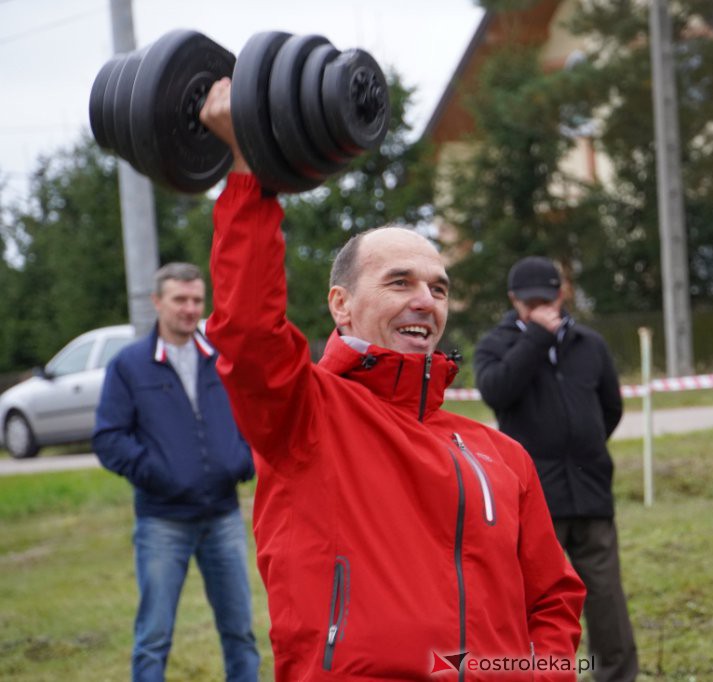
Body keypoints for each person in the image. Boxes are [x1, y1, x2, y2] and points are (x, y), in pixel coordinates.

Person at [197, 80, 585, 681]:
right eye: (399, 282)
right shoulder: (307, 415)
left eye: (438, 287)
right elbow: (248, 333)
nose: (424, 301)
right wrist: (249, 174)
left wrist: (536, 676)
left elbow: (554, 598)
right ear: (341, 305)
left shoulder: (500, 454)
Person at [474, 256, 639, 682]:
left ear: (561, 294)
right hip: (534, 497)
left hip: (590, 490)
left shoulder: (589, 344)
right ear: (514, 302)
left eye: (547, 300)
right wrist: (533, 339)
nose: (541, 309)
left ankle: (617, 675)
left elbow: (610, 407)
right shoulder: (497, 344)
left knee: (605, 597)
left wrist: (585, 448)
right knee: (535, 602)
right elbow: (497, 390)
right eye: (530, 304)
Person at [92, 262, 260, 682]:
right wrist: (160, 473)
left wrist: (241, 460)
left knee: (240, 632)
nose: (189, 309)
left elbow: (254, 417)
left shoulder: (221, 358)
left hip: (223, 517)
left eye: (196, 300)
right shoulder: (129, 366)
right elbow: (109, 438)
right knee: (154, 636)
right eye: (179, 300)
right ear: (157, 302)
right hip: (162, 520)